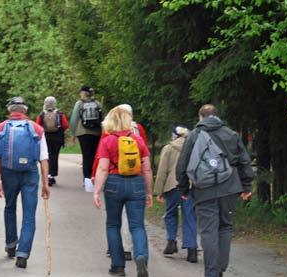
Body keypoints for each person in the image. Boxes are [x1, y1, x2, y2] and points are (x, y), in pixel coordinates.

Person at [176, 104, 254, 277]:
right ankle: (220, 268)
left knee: (208, 231)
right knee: (225, 227)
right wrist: (246, 186)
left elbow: (183, 163)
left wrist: (183, 188)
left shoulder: (194, 136)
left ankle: (211, 272)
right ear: (217, 116)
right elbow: (244, 161)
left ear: (200, 117)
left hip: (204, 190)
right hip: (229, 188)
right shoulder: (231, 134)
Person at [93, 106, 153, 277]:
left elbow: (103, 169)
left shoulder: (107, 141)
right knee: (137, 225)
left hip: (114, 183)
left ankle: (118, 266)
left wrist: (96, 191)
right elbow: (147, 169)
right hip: (136, 184)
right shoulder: (138, 140)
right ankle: (141, 256)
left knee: (113, 224)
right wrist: (149, 192)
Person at [0, 97, 51, 269]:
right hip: (30, 174)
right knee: (29, 214)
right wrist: (46, 183)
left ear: (10, 110)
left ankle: (11, 245)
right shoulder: (37, 128)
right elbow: (44, 158)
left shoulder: (0, 128)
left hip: (8, 173)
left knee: (9, 207)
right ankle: (23, 254)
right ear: (24, 110)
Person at [154, 126, 198, 263]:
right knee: (189, 215)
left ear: (175, 135)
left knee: (170, 213)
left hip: (172, 186)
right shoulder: (194, 147)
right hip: (190, 186)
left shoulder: (168, 148)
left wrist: (158, 191)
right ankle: (192, 250)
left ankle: (171, 242)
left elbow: (162, 172)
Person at [70, 86, 102, 190]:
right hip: (96, 132)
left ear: (83, 93)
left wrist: (74, 133)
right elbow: (102, 118)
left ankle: (87, 179)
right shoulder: (97, 103)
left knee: (86, 155)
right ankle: (94, 177)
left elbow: (74, 119)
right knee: (94, 155)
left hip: (83, 132)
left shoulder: (79, 104)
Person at [36, 96, 69, 186]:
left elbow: (37, 126)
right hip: (58, 137)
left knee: (47, 156)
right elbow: (65, 125)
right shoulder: (60, 114)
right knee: (55, 156)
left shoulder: (42, 114)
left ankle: (48, 175)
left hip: (45, 137)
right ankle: (52, 176)